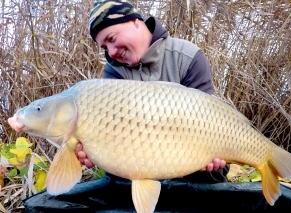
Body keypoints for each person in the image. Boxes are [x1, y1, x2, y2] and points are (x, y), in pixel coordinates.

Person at [23, 0, 229, 212]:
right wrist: (93, 152)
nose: (111, 52)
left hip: (192, 163)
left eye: (112, 39)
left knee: (212, 172)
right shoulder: (113, 75)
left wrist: (211, 157)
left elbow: (207, 118)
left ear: (135, 21)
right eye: (105, 47)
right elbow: (117, 144)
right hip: (135, 167)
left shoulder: (187, 56)